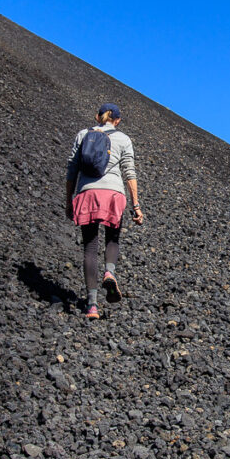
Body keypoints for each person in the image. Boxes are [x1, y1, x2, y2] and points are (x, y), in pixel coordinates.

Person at [65, 103, 144, 319]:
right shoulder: (123, 139)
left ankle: (92, 306)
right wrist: (136, 205)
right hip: (113, 194)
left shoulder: (83, 134)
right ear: (117, 120)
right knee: (113, 239)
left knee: (90, 247)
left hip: (87, 193)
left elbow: (72, 168)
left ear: (97, 117)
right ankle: (110, 272)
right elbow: (129, 172)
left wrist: (69, 200)